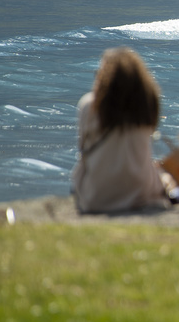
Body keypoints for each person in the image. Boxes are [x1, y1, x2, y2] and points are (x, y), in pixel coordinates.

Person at [72, 47, 171, 214]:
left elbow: (83, 148)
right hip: (140, 190)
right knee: (166, 175)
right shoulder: (147, 102)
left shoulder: (89, 105)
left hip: (96, 196)